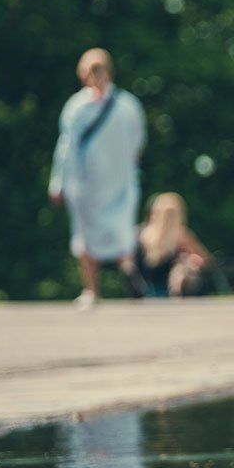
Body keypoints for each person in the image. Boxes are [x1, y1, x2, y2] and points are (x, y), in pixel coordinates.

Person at [48, 48, 147, 309]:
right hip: (119, 181)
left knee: (86, 236)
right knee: (120, 230)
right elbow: (138, 144)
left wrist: (57, 183)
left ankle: (92, 290)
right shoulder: (129, 105)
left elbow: (65, 149)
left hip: (87, 182)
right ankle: (127, 270)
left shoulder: (77, 107)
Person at [135, 192, 214, 297]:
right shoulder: (180, 235)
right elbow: (207, 259)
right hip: (156, 291)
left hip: (155, 291)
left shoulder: (140, 233)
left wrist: (191, 261)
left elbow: (205, 260)